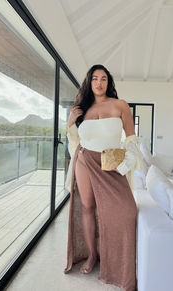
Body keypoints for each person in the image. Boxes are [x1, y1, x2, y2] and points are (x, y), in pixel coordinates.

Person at [64, 64, 143, 291]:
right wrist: (70, 122)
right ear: (89, 82)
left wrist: (127, 163)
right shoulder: (82, 109)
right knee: (87, 208)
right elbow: (75, 141)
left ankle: (117, 261)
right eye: (95, 78)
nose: (99, 83)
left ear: (109, 83)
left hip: (111, 163)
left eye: (104, 79)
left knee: (126, 211)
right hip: (84, 160)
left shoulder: (120, 105)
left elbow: (130, 138)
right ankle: (92, 255)